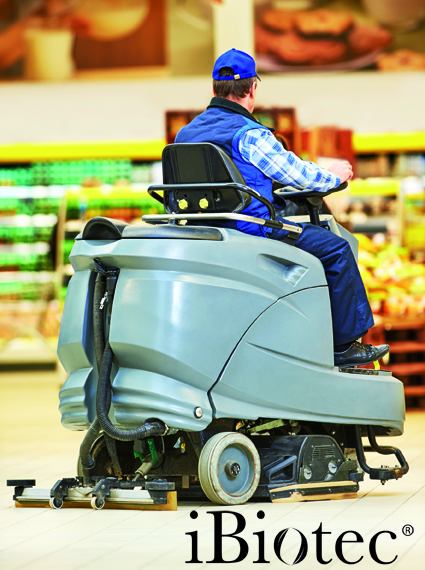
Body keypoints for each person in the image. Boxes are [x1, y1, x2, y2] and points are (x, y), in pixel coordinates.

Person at [175, 48, 389, 368]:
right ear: (252, 88)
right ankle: (343, 347)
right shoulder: (250, 133)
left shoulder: (185, 134)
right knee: (336, 249)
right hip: (251, 231)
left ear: (214, 88)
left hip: (206, 234)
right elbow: (295, 174)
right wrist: (334, 175)